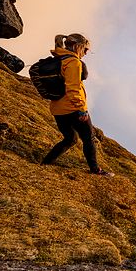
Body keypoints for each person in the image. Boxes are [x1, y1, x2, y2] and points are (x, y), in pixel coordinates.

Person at [41, 33, 113, 177]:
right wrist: (81, 109)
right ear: (77, 46)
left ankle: (46, 162)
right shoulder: (73, 62)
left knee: (70, 139)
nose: (86, 53)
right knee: (89, 138)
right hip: (73, 108)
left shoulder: (59, 56)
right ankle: (95, 170)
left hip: (58, 109)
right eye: (85, 49)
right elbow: (73, 88)